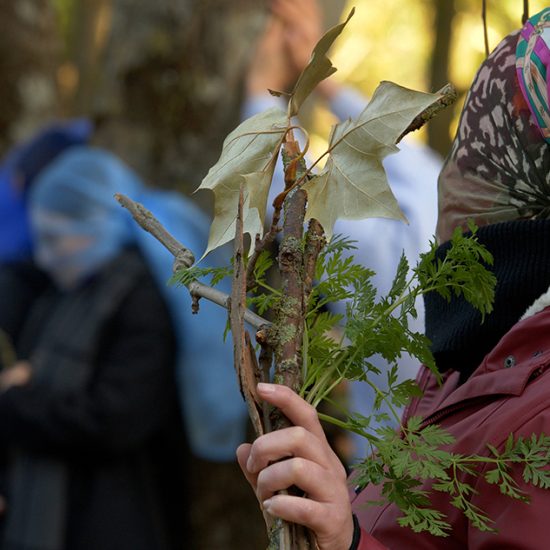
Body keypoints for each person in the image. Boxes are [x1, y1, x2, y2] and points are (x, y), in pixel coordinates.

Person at [238, 8, 550, 549]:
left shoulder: (433, 286)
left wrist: (348, 542)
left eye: (485, 144)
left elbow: (285, 202)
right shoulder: (488, 327)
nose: (457, 173)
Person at [0, 145, 246, 550]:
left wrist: (16, 402)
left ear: (95, 226)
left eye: (56, 238)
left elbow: (118, 417)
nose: (44, 257)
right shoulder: (77, 285)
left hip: (117, 518)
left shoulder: (139, 296)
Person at [243, 0, 441, 459]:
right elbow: (413, 159)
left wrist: (259, 90)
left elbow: (290, 198)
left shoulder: (385, 256)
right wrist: (326, 84)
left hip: (390, 482)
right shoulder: (450, 212)